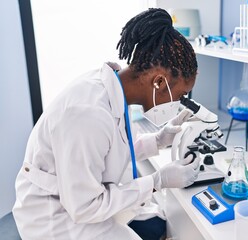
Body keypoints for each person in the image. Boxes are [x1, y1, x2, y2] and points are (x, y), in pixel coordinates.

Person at [13, 8, 200, 240]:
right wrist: (156, 181)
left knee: (155, 223)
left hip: (76, 201)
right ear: (159, 82)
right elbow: (85, 206)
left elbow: (107, 150)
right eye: (180, 95)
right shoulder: (87, 114)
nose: (178, 103)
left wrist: (158, 140)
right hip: (57, 219)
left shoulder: (115, 89)